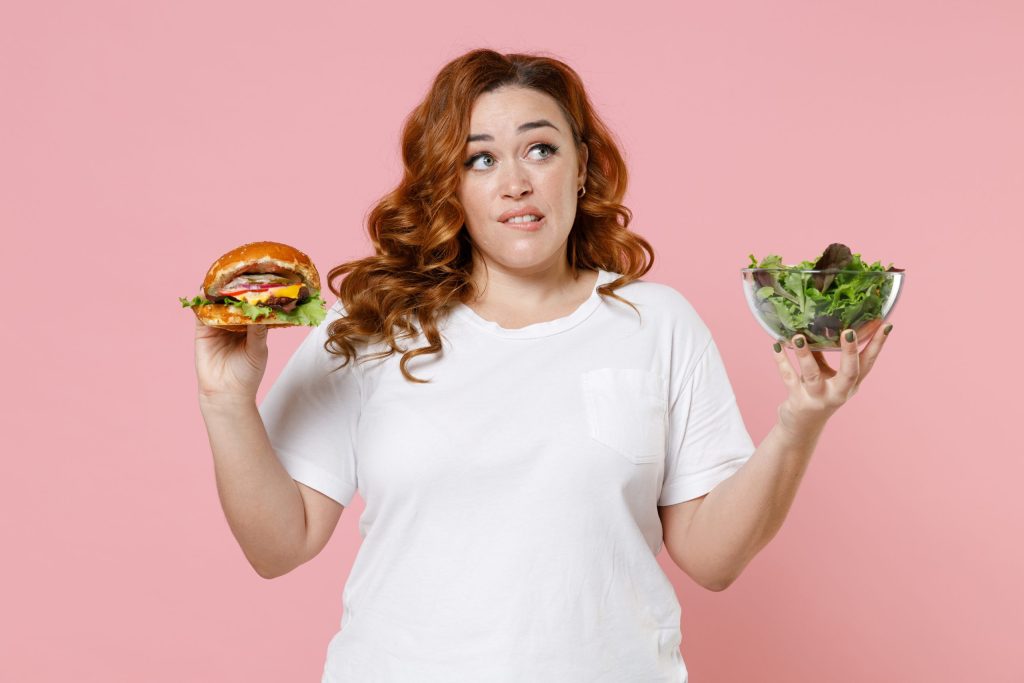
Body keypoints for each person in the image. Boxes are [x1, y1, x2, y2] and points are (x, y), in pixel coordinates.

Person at [192, 48, 894, 682]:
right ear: (449, 183)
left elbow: (712, 559)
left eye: (540, 149)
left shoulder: (657, 323)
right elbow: (278, 545)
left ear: (581, 166)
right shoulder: (371, 324)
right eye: (481, 158)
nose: (516, 182)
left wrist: (801, 422)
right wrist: (227, 401)